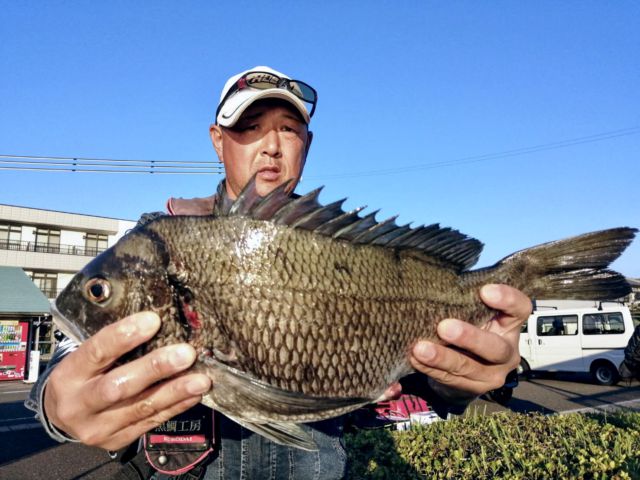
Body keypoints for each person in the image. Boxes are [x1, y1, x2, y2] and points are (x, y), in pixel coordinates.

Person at [26, 66, 531, 479]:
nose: (271, 144)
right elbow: (72, 360)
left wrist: (462, 382)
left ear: (307, 143)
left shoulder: (345, 246)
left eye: (288, 129)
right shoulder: (153, 241)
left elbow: (420, 378)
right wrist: (58, 403)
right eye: (250, 127)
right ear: (217, 140)